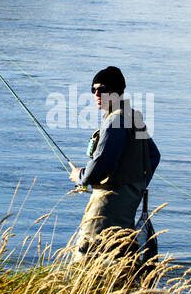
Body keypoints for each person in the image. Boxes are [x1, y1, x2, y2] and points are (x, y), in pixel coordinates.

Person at [68, 66, 160, 262]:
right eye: (93, 90)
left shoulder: (114, 121)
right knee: (118, 259)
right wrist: (136, 185)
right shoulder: (133, 117)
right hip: (128, 205)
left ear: (116, 91)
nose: (96, 94)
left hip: (106, 206)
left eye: (102, 89)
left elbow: (103, 162)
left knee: (87, 257)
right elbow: (153, 156)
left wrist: (80, 176)